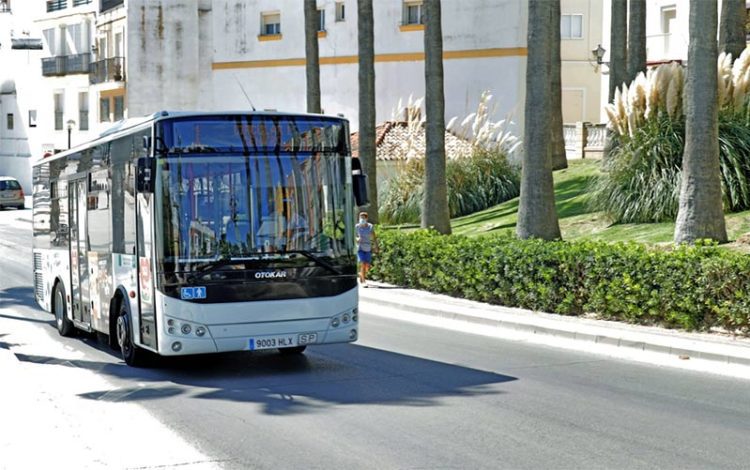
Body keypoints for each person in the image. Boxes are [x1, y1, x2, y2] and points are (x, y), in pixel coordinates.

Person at [356, 211, 378, 287]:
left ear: (366, 218)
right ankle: (364, 281)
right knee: (362, 263)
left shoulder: (370, 226)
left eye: (363, 218)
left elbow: (374, 237)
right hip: (360, 247)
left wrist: (376, 246)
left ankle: (361, 274)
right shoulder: (357, 227)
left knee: (367, 266)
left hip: (368, 247)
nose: (362, 219)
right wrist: (357, 239)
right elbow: (353, 237)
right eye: (360, 218)